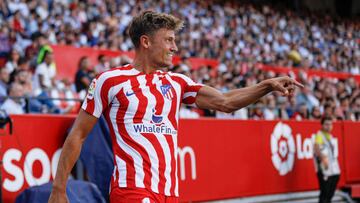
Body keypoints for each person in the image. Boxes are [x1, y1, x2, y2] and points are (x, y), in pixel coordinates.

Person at [48, 11, 303, 203]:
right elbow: (78, 135)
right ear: (146, 42)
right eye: (169, 40)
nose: (175, 47)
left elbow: (225, 102)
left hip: (169, 192)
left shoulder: (178, 82)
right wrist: (59, 189)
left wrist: (266, 85)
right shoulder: (110, 81)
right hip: (132, 190)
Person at [313, 117, 341, 203]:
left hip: (332, 169)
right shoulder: (319, 135)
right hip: (324, 168)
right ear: (322, 125)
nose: (328, 126)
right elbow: (316, 147)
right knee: (324, 192)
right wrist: (323, 159)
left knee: (330, 191)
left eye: (330, 124)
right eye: (326, 124)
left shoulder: (330, 136)